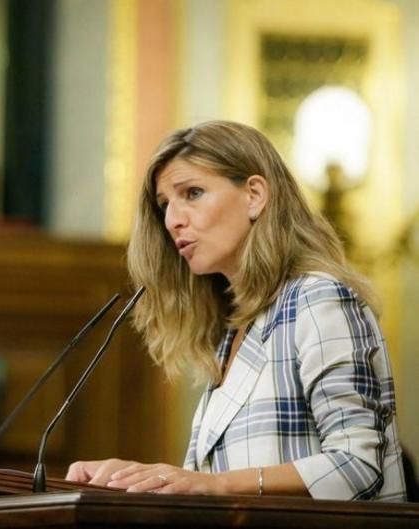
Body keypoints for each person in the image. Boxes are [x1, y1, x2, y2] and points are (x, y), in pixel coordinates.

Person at [66, 120, 406, 501]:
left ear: (254, 195)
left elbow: (358, 466)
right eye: (165, 205)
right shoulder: (233, 331)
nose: (173, 219)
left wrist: (213, 484)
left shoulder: (319, 298)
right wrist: (133, 480)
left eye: (192, 193)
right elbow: (212, 491)